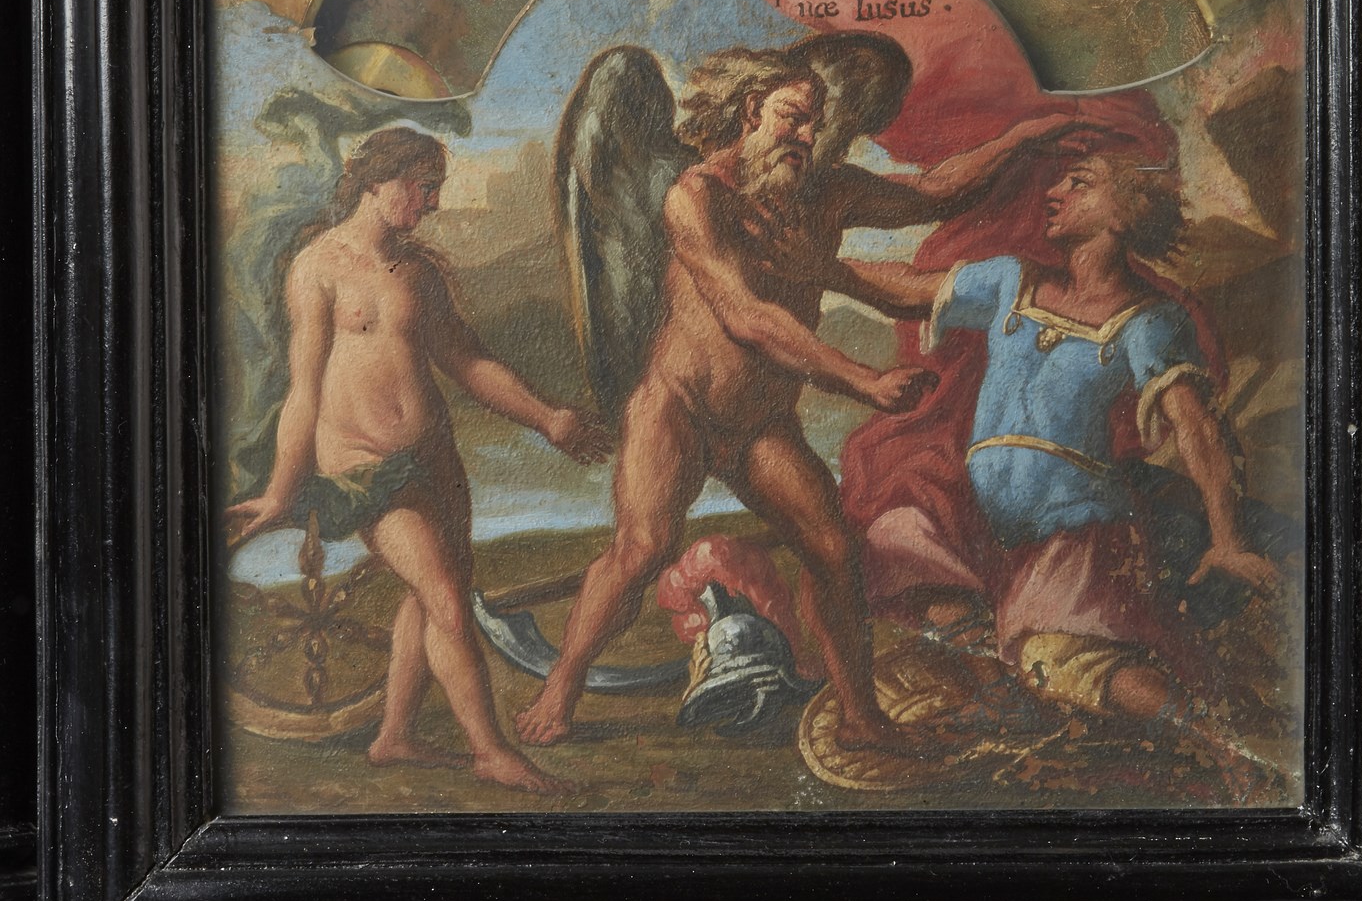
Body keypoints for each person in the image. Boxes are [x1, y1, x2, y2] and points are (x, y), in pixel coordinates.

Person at [516, 43, 1086, 748]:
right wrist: (862, 379)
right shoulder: (696, 196)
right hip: (677, 408)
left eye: (814, 123)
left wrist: (1022, 137)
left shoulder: (828, 192)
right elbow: (748, 318)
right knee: (642, 546)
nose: (807, 136)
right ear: (751, 110)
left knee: (834, 550)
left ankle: (860, 718)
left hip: (761, 425)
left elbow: (937, 191)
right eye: (793, 118)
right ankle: (560, 691)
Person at [838, 149, 1282, 794]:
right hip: (985, 526)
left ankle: (1222, 745)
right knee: (894, 538)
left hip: (1076, 530)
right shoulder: (1011, 281)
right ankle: (1004, 695)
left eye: (1081, 182)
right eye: (1059, 180)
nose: (1055, 191)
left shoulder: (1147, 320)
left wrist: (1229, 539)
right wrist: (814, 267)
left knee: (1060, 660)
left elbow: (1196, 427)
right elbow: (905, 286)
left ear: (1128, 211)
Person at [225, 127, 611, 795]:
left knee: (433, 593)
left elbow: (467, 362)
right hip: (364, 469)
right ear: (377, 180)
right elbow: (304, 390)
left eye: (436, 188)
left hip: (435, 460)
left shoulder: (420, 273)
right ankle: (489, 750)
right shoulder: (316, 268)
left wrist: (547, 418)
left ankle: (395, 736)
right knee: (447, 603)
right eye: (423, 186)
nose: (432, 202)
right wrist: (283, 490)